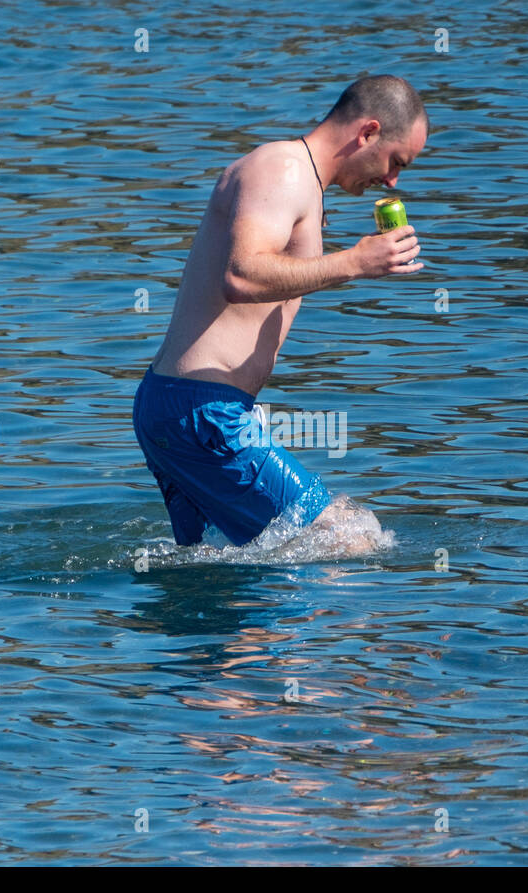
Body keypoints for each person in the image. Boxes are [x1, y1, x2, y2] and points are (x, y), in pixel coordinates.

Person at [133, 74, 428, 555]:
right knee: (352, 539)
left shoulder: (297, 178)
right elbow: (242, 276)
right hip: (203, 412)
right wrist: (355, 262)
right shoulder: (284, 170)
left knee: (213, 570)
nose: (393, 181)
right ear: (368, 132)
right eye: (396, 162)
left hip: (180, 408)